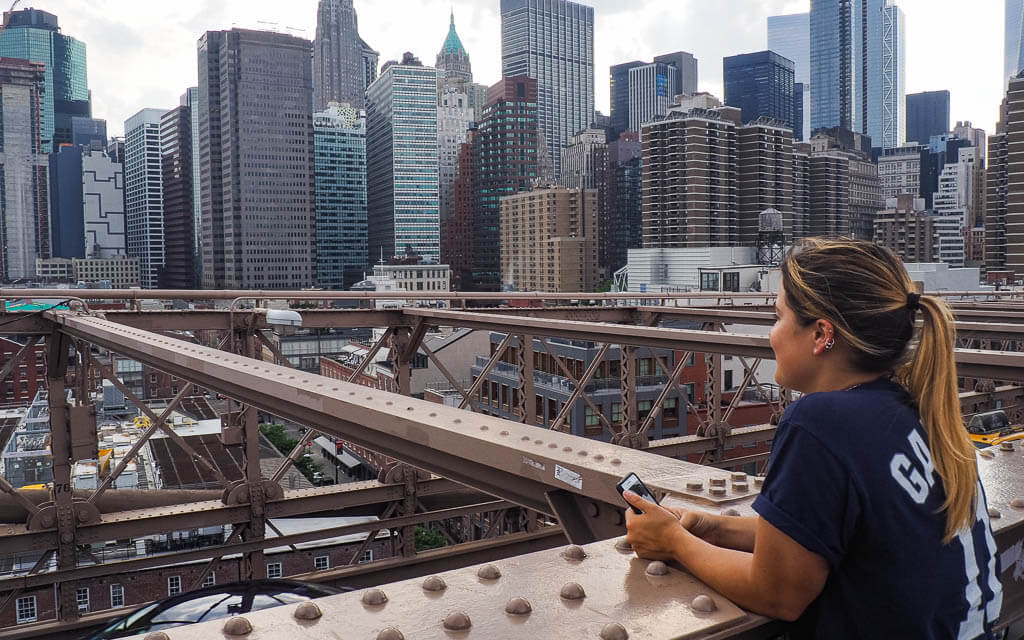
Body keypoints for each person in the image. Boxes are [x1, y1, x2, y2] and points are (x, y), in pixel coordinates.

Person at [623, 238, 1002, 639]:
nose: (771, 335)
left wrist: (675, 543)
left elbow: (779, 594)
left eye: (778, 317)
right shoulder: (918, 411)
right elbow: (837, 533)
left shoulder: (821, 422)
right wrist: (713, 528)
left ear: (822, 334)